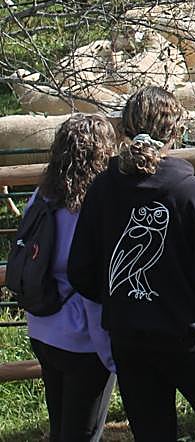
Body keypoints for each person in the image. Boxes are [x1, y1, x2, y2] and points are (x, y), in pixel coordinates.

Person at [68, 87, 195, 440]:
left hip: (129, 335)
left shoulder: (103, 189)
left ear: (123, 130)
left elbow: (81, 269)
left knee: (151, 432)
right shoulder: (190, 192)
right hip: (191, 336)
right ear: (176, 132)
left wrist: (123, 302)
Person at [26, 114, 117, 442]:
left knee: (62, 426)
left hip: (42, 329)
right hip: (83, 339)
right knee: (83, 433)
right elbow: (93, 285)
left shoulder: (41, 198)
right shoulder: (94, 208)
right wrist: (111, 355)